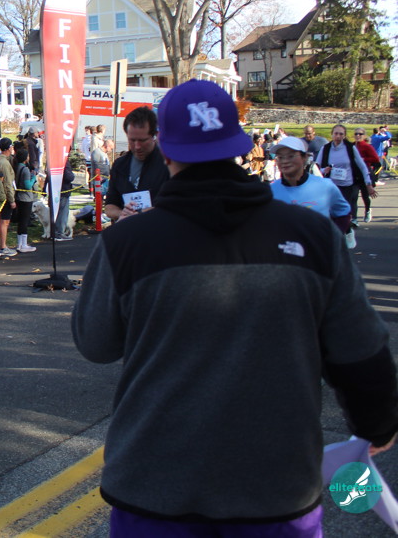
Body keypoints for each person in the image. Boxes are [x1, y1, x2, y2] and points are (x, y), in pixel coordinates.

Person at [72, 79, 398, 534]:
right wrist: (376, 425)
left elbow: (96, 343)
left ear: (167, 152)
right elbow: (360, 351)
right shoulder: (313, 235)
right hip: (276, 486)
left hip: (153, 483)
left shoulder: (126, 243)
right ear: (239, 146)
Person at [269, 136, 352, 236]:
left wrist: (333, 238)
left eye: (291, 156)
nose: (285, 161)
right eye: (280, 157)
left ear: (304, 157)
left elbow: (343, 213)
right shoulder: (270, 191)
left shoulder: (325, 186)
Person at [103, 106, 169, 222]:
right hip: (127, 229)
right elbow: (109, 207)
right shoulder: (120, 165)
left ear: (154, 136)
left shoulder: (168, 164)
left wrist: (141, 214)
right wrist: (123, 214)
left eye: (143, 140)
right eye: (132, 140)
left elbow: (175, 205)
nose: (137, 146)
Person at [317, 124, 376, 226]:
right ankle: (336, 230)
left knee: (344, 211)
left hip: (347, 185)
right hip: (331, 185)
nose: (338, 136)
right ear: (332, 134)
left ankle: (346, 229)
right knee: (332, 211)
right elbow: (317, 167)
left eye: (341, 134)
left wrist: (368, 184)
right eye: (336, 133)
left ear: (344, 136)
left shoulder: (350, 148)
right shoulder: (325, 148)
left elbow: (362, 166)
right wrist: (324, 170)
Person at [12, 143, 37, 253]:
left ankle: (19, 244)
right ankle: (23, 244)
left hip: (18, 196)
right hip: (26, 198)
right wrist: (33, 178)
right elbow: (27, 185)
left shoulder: (17, 167)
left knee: (21, 220)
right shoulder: (25, 169)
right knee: (24, 221)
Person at [0, 139, 17, 257]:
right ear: (9, 148)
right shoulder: (4, 163)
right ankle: (2, 246)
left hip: (1, 194)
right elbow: (8, 182)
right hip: (5, 195)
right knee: (4, 221)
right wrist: (12, 200)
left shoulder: (1, 160)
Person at [354, 128, 380, 222]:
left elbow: (376, 159)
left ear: (364, 136)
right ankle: (354, 217)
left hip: (364, 173)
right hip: (354, 173)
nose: (358, 135)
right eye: (356, 134)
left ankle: (368, 210)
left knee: (365, 195)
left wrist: (363, 159)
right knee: (353, 196)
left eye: (360, 134)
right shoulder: (352, 146)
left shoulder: (367, 146)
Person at [51, 159, 75, 241]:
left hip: (55, 189)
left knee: (56, 212)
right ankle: (60, 233)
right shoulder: (63, 161)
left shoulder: (53, 160)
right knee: (62, 212)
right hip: (63, 190)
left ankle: (54, 232)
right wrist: (72, 175)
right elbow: (69, 177)